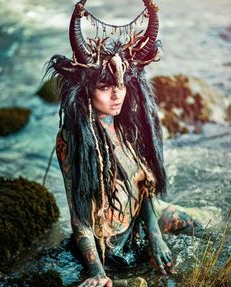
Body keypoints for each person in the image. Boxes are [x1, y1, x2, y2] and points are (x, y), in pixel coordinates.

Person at [47, 0, 194, 286]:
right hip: (109, 242)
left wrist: (155, 235)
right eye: (104, 87)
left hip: (141, 222)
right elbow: (80, 217)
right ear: (86, 89)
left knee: (205, 223)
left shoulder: (130, 126)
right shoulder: (72, 140)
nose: (116, 95)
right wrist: (97, 271)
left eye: (121, 85)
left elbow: (145, 186)